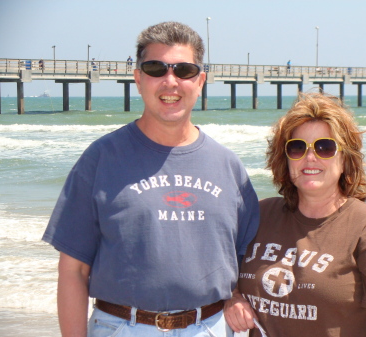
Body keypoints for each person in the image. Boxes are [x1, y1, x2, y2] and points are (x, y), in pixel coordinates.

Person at [43, 21, 259, 337]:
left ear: (200, 81)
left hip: (208, 328)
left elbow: (246, 258)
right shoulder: (101, 158)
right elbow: (73, 271)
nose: (170, 81)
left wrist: (237, 294)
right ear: (138, 78)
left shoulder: (228, 165)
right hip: (121, 326)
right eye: (156, 68)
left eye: (184, 70)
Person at [224, 92, 366, 337]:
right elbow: (218, 270)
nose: (310, 157)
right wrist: (232, 299)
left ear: (345, 158)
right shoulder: (260, 215)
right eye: (297, 148)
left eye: (325, 147)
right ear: (285, 158)